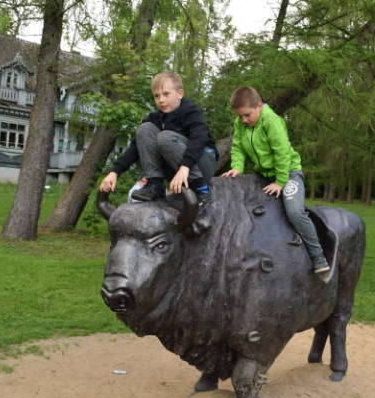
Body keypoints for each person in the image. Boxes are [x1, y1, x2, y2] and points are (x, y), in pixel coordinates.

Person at [221, 86, 331, 282]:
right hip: (261, 174)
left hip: (287, 174)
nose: (244, 120)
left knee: (295, 212)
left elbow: (282, 154)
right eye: (240, 117)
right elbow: (237, 146)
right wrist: (237, 167)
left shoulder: (272, 122)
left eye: (247, 115)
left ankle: (319, 257)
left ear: (259, 106)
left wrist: (280, 182)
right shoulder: (240, 123)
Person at [99, 71, 217, 205]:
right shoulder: (156, 118)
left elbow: (199, 139)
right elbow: (135, 148)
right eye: (157, 96)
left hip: (201, 163)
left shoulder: (192, 112)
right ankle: (155, 185)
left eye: (166, 94)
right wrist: (114, 172)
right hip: (177, 169)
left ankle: (203, 190)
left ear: (180, 93)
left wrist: (185, 167)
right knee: (144, 129)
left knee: (165, 137)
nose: (161, 100)